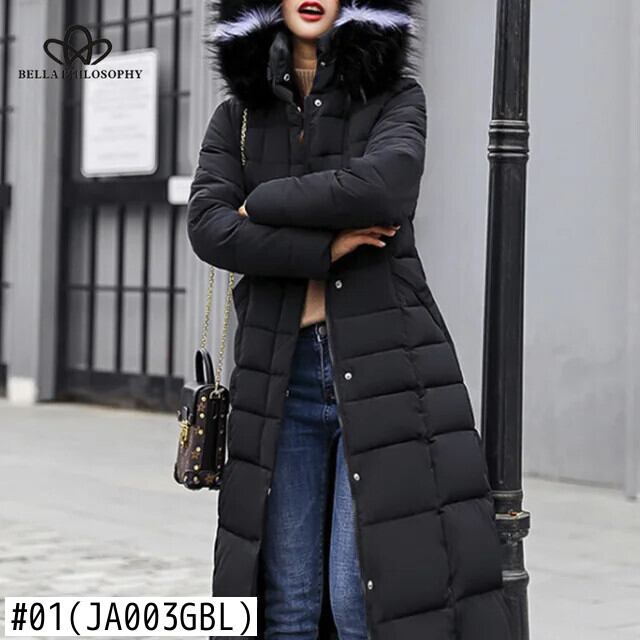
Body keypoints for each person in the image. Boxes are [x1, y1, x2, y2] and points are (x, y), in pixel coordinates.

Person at [187, 1, 513, 639]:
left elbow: (383, 189)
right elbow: (208, 227)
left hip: (385, 366)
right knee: (286, 602)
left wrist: (260, 202)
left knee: (360, 600)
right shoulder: (238, 118)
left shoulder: (397, 99)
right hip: (279, 378)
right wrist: (325, 246)